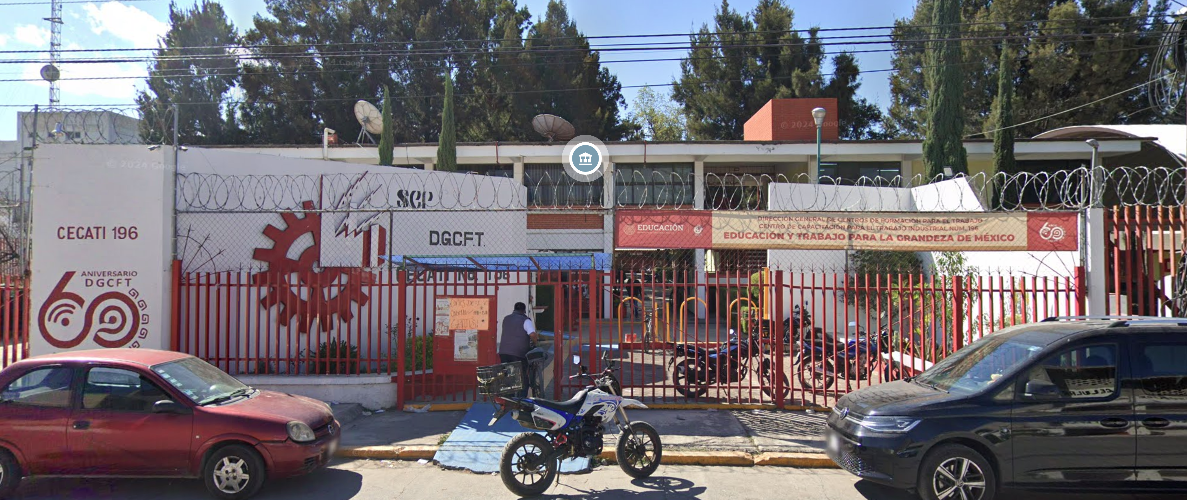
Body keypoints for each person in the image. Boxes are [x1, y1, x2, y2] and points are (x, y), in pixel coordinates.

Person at [498, 302, 538, 397]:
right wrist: (535, 343)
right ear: (524, 311)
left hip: (503, 352)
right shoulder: (525, 320)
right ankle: (522, 399)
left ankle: (509, 398)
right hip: (518, 353)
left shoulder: (506, 319)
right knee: (522, 376)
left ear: (514, 309)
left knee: (508, 375)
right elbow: (532, 334)